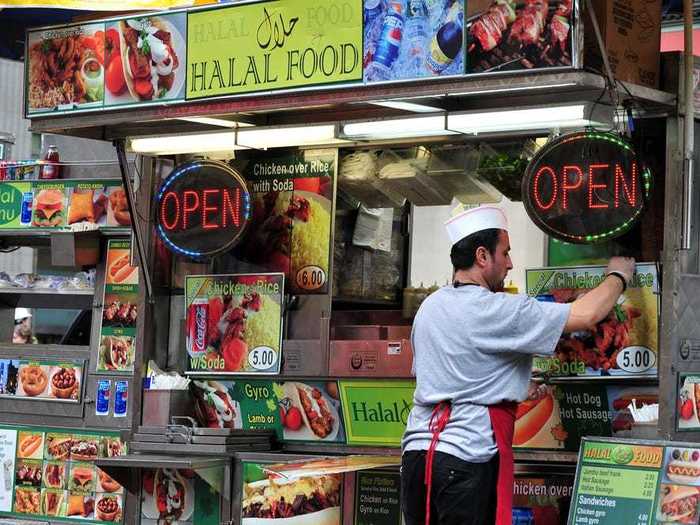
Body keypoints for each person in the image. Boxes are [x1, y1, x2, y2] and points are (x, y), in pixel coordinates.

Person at [400, 205, 635, 525]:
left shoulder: (430, 306)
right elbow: (587, 314)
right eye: (505, 253)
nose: (510, 263)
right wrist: (618, 275)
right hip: (465, 458)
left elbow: (449, 376)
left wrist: (513, 385)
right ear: (482, 256)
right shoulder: (495, 309)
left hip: (417, 456)